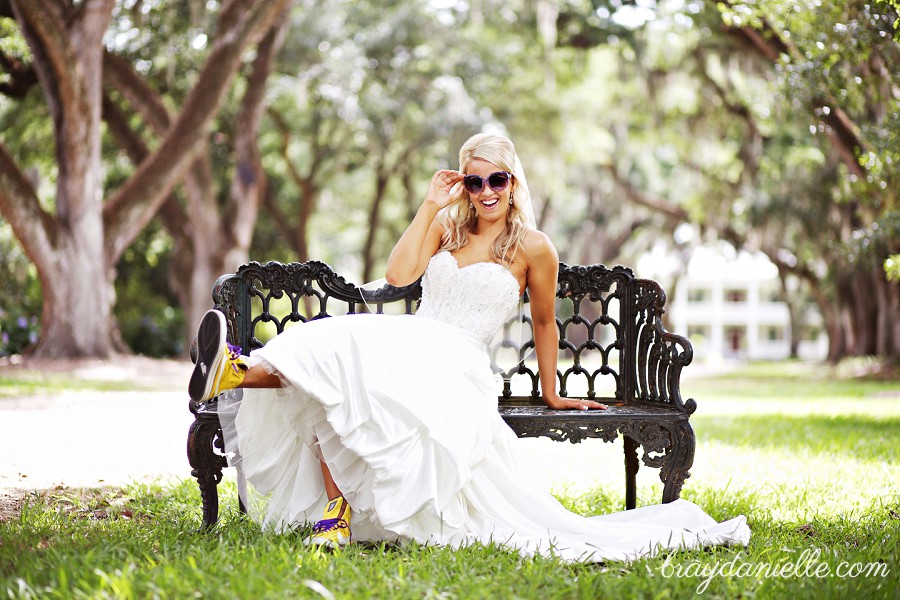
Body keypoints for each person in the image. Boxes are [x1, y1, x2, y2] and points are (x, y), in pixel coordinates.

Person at [189, 132, 750, 561]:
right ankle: (243, 384)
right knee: (335, 349)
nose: (486, 192)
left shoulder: (534, 247)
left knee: (343, 361)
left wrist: (552, 395)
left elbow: (548, 324)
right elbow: (398, 272)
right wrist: (431, 205)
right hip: (414, 340)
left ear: (514, 183)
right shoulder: (448, 227)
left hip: (457, 361)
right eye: (474, 181)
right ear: (463, 182)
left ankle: (241, 380)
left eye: (497, 180)